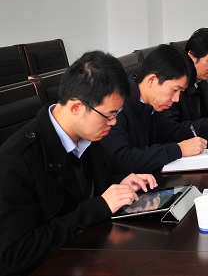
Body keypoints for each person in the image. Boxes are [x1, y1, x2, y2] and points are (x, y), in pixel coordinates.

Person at [0, 51, 157, 275]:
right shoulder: (15, 162)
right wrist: (97, 207)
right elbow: (13, 255)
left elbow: (80, 188)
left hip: (88, 253)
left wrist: (119, 183)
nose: (113, 123)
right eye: (109, 115)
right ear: (76, 108)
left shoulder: (87, 135)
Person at [100, 44, 208, 175]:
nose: (176, 99)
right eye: (174, 90)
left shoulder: (150, 104)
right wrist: (178, 150)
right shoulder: (117, 105)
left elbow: (172, 131)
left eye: (180, 92)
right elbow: (121, 160)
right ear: (152, 80)